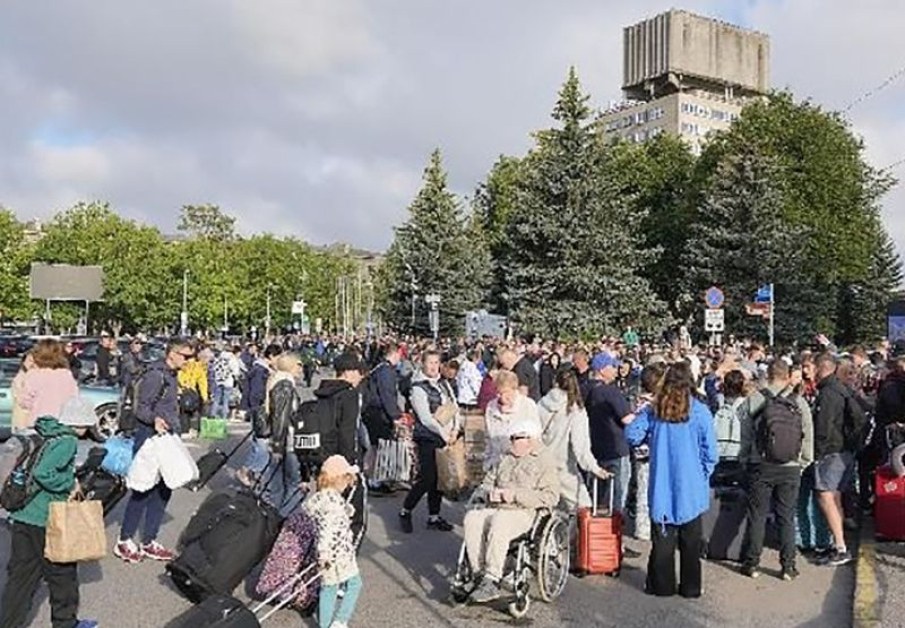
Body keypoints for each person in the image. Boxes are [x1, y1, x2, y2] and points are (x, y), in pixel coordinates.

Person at [0, 403, 100, 628]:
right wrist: (69, 485)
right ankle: (66, 623)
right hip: (46, 518)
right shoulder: (67, 440)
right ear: (80, 423)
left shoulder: (45, 431)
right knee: (62, 575)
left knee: (21, 577)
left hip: (23, 514)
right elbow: (44, 472)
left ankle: (8, 623)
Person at [625, 362, 718, 598]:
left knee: (663, 540)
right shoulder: (699, 411)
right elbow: (711, 453)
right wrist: (702, 474)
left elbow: (632, 434)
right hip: (691, 486)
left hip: (662, 485)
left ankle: (663, 586)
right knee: (691, 541)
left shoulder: (654, 410)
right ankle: (691, 587)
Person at [464, 418, 559, 603]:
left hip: (524, 512)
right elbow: (486, 483)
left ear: (529, 439)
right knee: (472, 518)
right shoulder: (505, 458)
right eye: (511, 438)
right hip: (497, 506)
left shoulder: (544, 460)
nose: (511, 442)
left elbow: (551, 496)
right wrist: (488, 493)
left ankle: (492, 578)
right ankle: (479, 573)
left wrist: (515, 495)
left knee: (500, 522)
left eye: (515, 438)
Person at [114, 339, 192, 564]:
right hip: (149, 438)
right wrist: (154, 419)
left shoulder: (170, 375)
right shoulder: (155, 375)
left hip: (166, 438)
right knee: (142, 490)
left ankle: (149, 540)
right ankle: (125, 540)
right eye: (185, 356)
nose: (188, 361)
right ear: (172, 353)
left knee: (164, 489)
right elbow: (141, 408)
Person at [738, 359, 814, 581]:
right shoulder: (799, 402)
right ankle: (788, 566)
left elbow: (745, 434)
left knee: (758, 515)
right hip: (790, 467)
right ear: (788, 375)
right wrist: (803, 463)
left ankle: (752, 563)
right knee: (786, 517)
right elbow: (807, 435)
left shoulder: (755, 400)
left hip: (761, 465)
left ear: (768, 375)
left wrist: (745, 458)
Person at [812, 352, 866, 566]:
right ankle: (838, 543)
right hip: (845, 450)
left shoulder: (828, 393)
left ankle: (840, 547)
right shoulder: (842, 390)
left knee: (826, 497)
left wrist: (817, 452)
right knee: (835, 498)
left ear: (820, 367)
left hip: (831, 452)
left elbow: (823, 427)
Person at [399, 350, 459, 534]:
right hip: (428, 437)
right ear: (423, 364)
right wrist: (443, 434)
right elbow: (425, 418)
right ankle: (405, 510)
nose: (433, 366)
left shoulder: (444, 384)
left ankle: (434, 516)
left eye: (436, 362)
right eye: (430, 363)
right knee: (427, 478)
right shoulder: (418, 388)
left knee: (440, 478)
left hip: (447, 436)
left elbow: (454, 407)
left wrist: (456, 429)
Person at [311, 352, 367, 539]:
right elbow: (348, 433)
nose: (361, 376)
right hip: (343, 464)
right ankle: (344, 560)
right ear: (349, 372)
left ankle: (323, 554)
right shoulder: (349, 395)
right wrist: (351, 465)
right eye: (359, 371)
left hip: (324, 459)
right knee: (355, 518)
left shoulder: (323, 392)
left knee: (327, 516)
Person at [304, 455, 364, 628]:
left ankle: (325, 624)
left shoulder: (321, 498)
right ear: (339, 479)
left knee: (328, 588)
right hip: (339, 554)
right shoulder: (333, 504)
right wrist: (324, 553)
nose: (348, 484)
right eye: (347, 479)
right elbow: (328, 529)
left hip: (328, 554)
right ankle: (340, 621)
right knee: (354, 584)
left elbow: (324, 522)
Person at [536, 368, 609, 509]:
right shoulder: (575, 410)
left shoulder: (542, 403)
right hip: (562, 465)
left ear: (554, 382)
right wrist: (594, 468)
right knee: (583, 508)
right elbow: (580, 445)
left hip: (539, 462)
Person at [585, 352, 634, 516]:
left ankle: (594, 525)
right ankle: (614, 529)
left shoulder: (582, 388)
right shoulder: (610, 392)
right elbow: (627, 419)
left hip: (592, 447)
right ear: (602, 369)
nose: (616, 370)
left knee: (596, 493)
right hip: (615, 448)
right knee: (617, 493)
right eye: (612, 366)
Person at [262, 353, 305, 518]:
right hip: (287, 442)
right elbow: (281, 417)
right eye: (298, 366)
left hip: (277, 441)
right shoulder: (286, 385)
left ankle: (274, 517)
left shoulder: (276, 381)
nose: (301, 370)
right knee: (295, 484)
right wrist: (279, 446)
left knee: (277, 484)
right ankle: (283, 518)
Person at [236, 343, 282, 487]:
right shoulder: (260, 371)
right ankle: (247, 470)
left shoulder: (260, 369)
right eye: (278, 357)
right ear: (271, 356)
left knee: (259, 443)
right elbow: (255, 394)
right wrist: (262, 405)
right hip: (260, 411)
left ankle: (252, 472)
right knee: (262, 445)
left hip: (258, 410)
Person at [483, 370, 541, 473]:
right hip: (497, 464)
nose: (499, 396)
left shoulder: (528, 406)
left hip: (521, 467)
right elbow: (488, 439)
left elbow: (535, 438)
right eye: (497, 392)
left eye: (504, 392)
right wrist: (487, 463)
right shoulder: (491, 407)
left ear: (514, 389)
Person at [15, 339, 79, 431]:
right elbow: (74, 398)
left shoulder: (33, 375)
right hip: (62, 424)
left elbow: (24, 402)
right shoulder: (66, 374)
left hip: (39, 425)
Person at [10, 353, 35, 433]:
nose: (32, 363)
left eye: (35, 361)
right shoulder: (20, 378)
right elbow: (21, 400)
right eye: (30, 361)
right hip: (23, 422)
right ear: (24, 362)